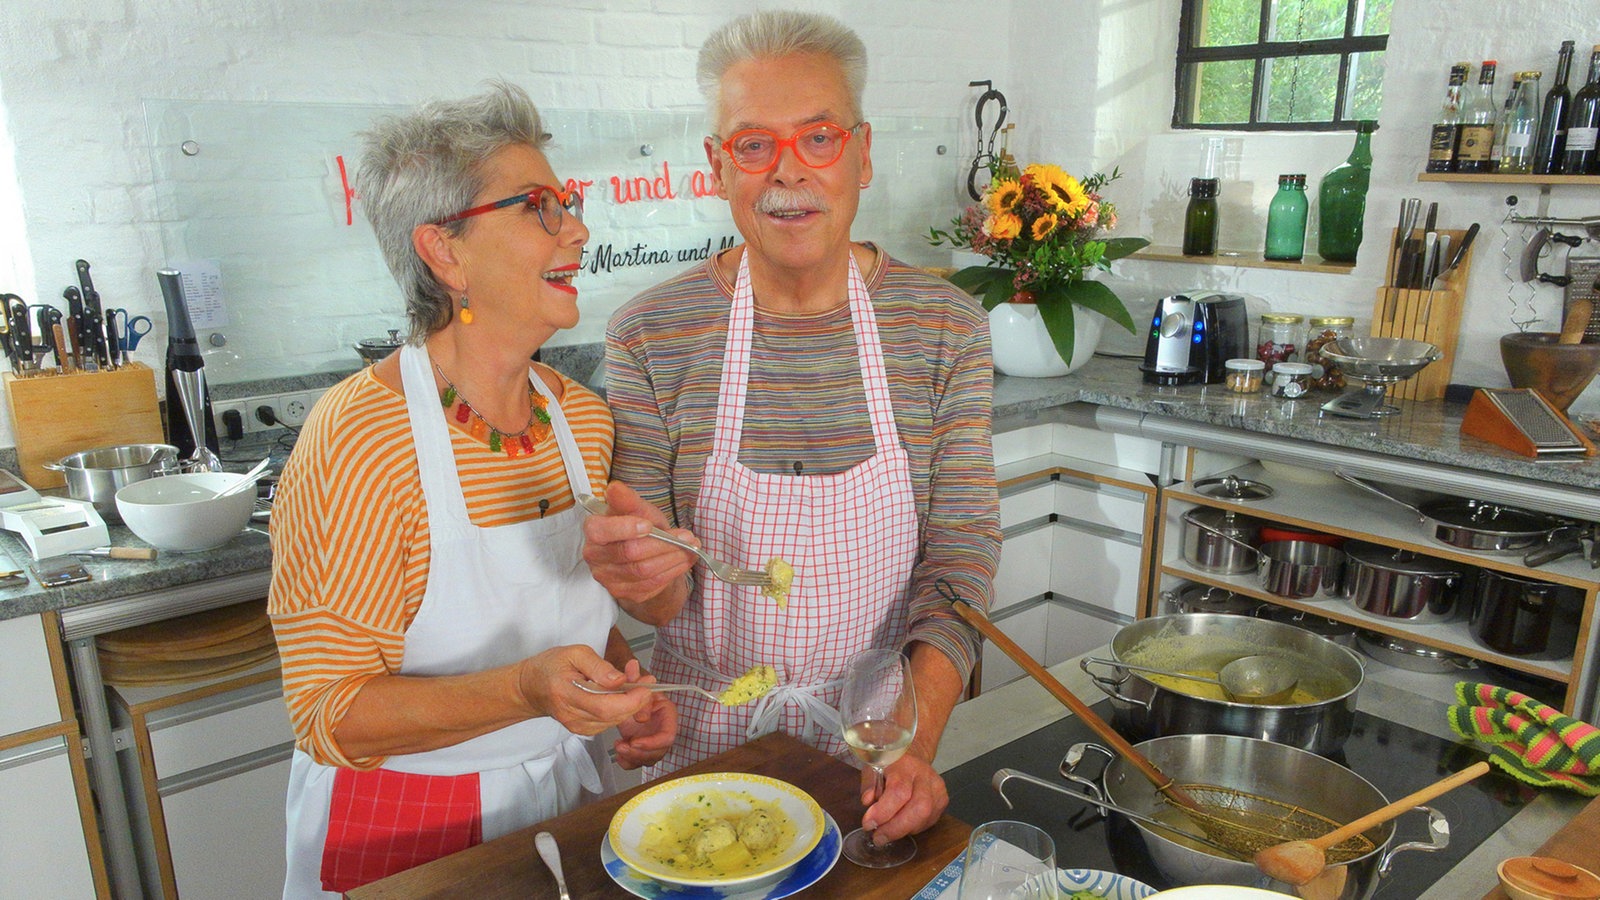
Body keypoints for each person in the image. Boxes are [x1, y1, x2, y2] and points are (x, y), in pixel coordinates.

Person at [585, 10, 1001, 848]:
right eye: (753, 145)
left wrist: (915, 747)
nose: (788, 173)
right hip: (708, 754)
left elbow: (959, 556)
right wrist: (641, 575)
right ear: (716, 165)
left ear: (862, 152)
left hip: (878, 748)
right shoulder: (650, 337)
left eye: (818, 138)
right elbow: (666, 596)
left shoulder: (945, 328)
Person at [268, 81, 675, 898]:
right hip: (407, 829)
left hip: (564, 800)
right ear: (444, 251)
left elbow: (568, 619)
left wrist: (621, 688)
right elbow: (328, 711)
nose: (579, 229)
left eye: (568, 203)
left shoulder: (579, 419)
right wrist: (526, 691)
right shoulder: (360, 438)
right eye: (540, 209)